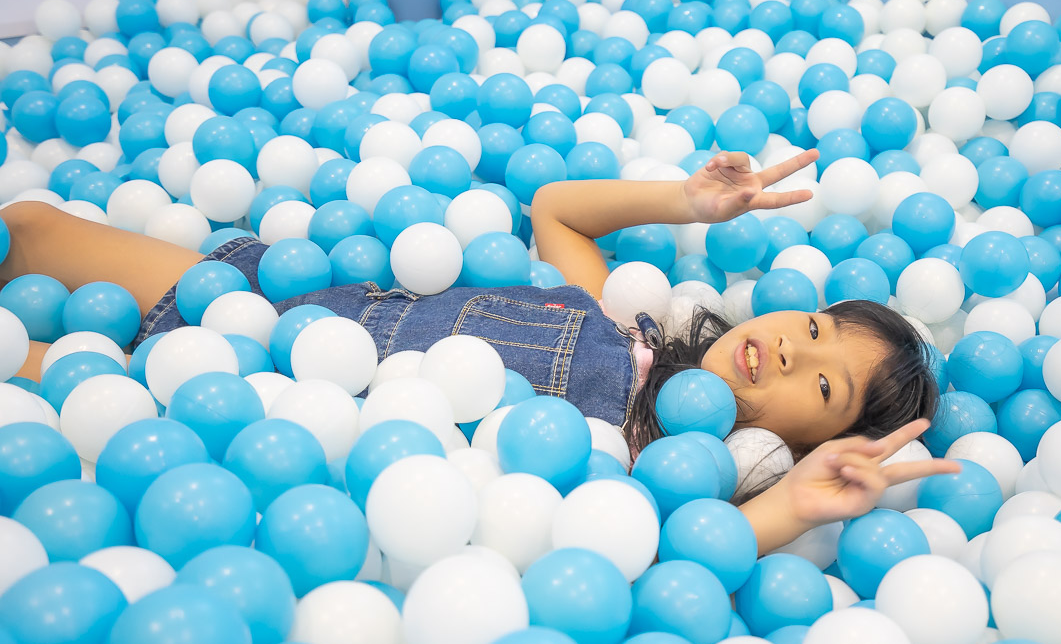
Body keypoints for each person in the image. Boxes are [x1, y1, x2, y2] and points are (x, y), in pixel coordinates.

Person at [0, 148, 956, 554]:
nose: (789, 349)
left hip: (230, 410)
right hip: (263, 295)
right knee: (31, 228)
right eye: (815, 328)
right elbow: (557, 211)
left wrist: (792, 505)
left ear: (796, 442)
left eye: (820, 382)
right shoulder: (625, 323)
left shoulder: (653, 468)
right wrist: (686, 201)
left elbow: (678, 550)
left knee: (36, 377)